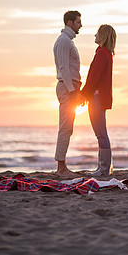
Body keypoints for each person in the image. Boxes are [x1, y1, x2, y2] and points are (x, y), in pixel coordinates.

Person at [80, 24, 117, 176]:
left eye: (97, 33)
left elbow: (94, 78)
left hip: (97, 97)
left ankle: (103, 168)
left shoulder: (102, 53)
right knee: (101, 132)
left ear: (103, 36)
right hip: (98, 97)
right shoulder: (106, 53)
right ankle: (103, 168)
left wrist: (83, 94)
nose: (94, 36)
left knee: (100, 132)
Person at [53, 10, 82, 177]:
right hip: (66, 88)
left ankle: (62, 166)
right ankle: (61, 168)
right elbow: (64, 68)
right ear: (69, 23)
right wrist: (72, 91)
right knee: (65, 127)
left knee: (67, 128)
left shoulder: (67, 41)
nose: (81, 25)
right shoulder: (64, 41)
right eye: (78, 22)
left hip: (69, 87)